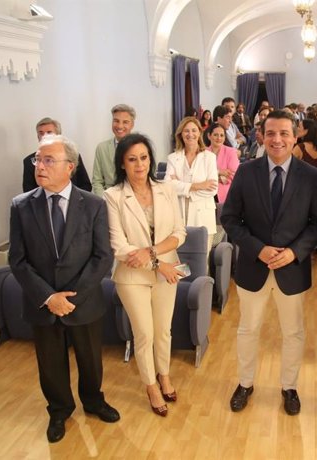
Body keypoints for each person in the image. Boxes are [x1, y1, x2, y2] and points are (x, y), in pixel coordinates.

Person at [8, 134, 120, 443]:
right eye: (37, 160)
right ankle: (59, 410)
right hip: (42, 303)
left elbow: (103, 256)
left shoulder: (94, 204)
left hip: (82, 300)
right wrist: (48, 297)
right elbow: (17, 260)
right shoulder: (21, 206)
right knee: (50, 363)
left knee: (90, 359)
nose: (39, 167)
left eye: (48, 160)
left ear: (70, 166)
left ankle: (94, 402)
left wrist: (73, 297)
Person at [221, 110, 317, 416]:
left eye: (284, 133)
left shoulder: (310, 176)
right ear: (261, 136)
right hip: (254, 268)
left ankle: (289, 387)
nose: (277, 139)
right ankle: (245, 383)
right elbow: (230, 218)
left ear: (295, 137)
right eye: (271, 133)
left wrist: (295, 252)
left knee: (293, 332)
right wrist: (258, 249)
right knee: (248, 329)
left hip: (291, 269)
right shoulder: (247, 171)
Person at [104, 133, 186, 417]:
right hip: (131, 277)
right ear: (122, 164)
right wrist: (156, 262)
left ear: (151, 160)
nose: (139, 165)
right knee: (144, 334)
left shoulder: (166, 189)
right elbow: (119, 246)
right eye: (132, 159)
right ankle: (150, 386)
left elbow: (179, 232)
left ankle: (164, 375)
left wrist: (153, 255)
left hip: (166, 270)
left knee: (164, 330)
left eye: (144, 157)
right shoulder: (113, 196)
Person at [164, 116, 218, 255]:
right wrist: (198, 185)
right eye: (186, 131)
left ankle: (201, 278)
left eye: (194, 130)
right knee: (180, 260)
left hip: (203, 217)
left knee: (201, 261)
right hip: (178, 217)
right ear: (181, 134)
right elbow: (167, 186)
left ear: (200, 133)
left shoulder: (209, 157)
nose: (190, 134)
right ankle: (185, 278)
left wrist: (180, 186)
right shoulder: (173, 158)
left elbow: (212, 189)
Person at [22, 117, 91, 192]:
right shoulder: (29, 161)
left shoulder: (72, 156)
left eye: (49, 132)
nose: (44, 136)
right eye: (41, 133)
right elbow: (29, 193)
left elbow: (85, 185)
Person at [92, 104, 136, 196]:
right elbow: (97, 182)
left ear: (132, 125)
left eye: (125, 122)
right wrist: (105, 201)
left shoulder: (140, 148)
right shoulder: (101, 148)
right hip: (108, 199)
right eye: (116, 121)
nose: (120, 126)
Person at [207, 122, 240, 203]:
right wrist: (220, 172)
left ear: (225, 138)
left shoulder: (231, 152)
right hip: (207, 194)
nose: (219, 138)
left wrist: (212, 176)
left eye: (222, 135)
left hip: (226, 196)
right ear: (209, 136)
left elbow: (234, 175)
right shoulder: (203, 153)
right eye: (215, 135)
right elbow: (202, 175)